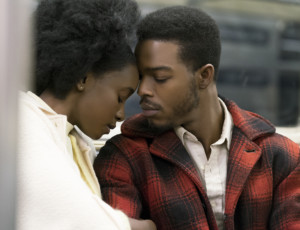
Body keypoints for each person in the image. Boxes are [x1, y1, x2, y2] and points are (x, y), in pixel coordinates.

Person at [94, 6, 300, 230]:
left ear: (204, 76)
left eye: (160, 77)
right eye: (141, 77)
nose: (142, 90)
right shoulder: (125, 156)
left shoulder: (281, 156)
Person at [17, 0, 156, 229]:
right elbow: (83, 220)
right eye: (120, 97)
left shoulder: (76, 142)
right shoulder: (22, 121)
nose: (121, 114)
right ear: (83, 78)